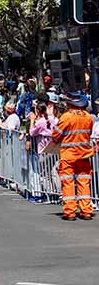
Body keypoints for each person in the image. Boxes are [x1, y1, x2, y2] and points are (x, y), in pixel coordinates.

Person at [51, 92, 94, 220]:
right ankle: (86, 211)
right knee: (84, 183)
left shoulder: (66, 117)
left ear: (70, 103)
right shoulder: (88, 117)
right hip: (84, 154)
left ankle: (70, 212)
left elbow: (56, 135)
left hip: (69, 155)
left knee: (68, 183)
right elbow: (88, 133)